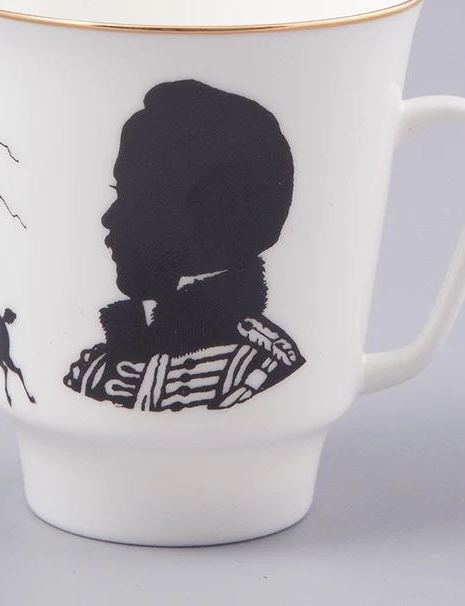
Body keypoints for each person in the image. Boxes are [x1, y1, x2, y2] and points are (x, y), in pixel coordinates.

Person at [63, 79, 304, 411]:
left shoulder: (256, 371)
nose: (108, 218)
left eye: (133, 197)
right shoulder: (96, 370)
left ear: (208, 212)